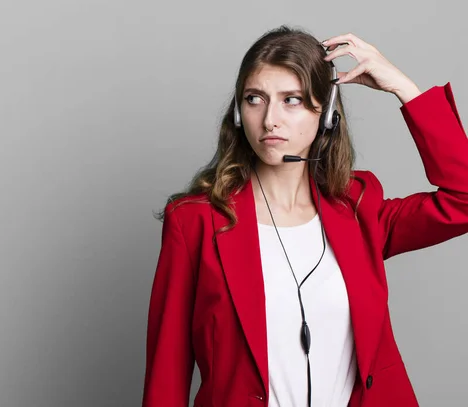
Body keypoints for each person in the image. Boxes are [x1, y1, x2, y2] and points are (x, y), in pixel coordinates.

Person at [141, 25, 468, 407]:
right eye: (255, 99)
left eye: (291, 100)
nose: (270, 119)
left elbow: (462, 199)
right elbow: (167, 371)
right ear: (237, 111)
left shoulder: (360, 210)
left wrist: (403, 88)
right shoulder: (195, 222)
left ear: (325, 113)